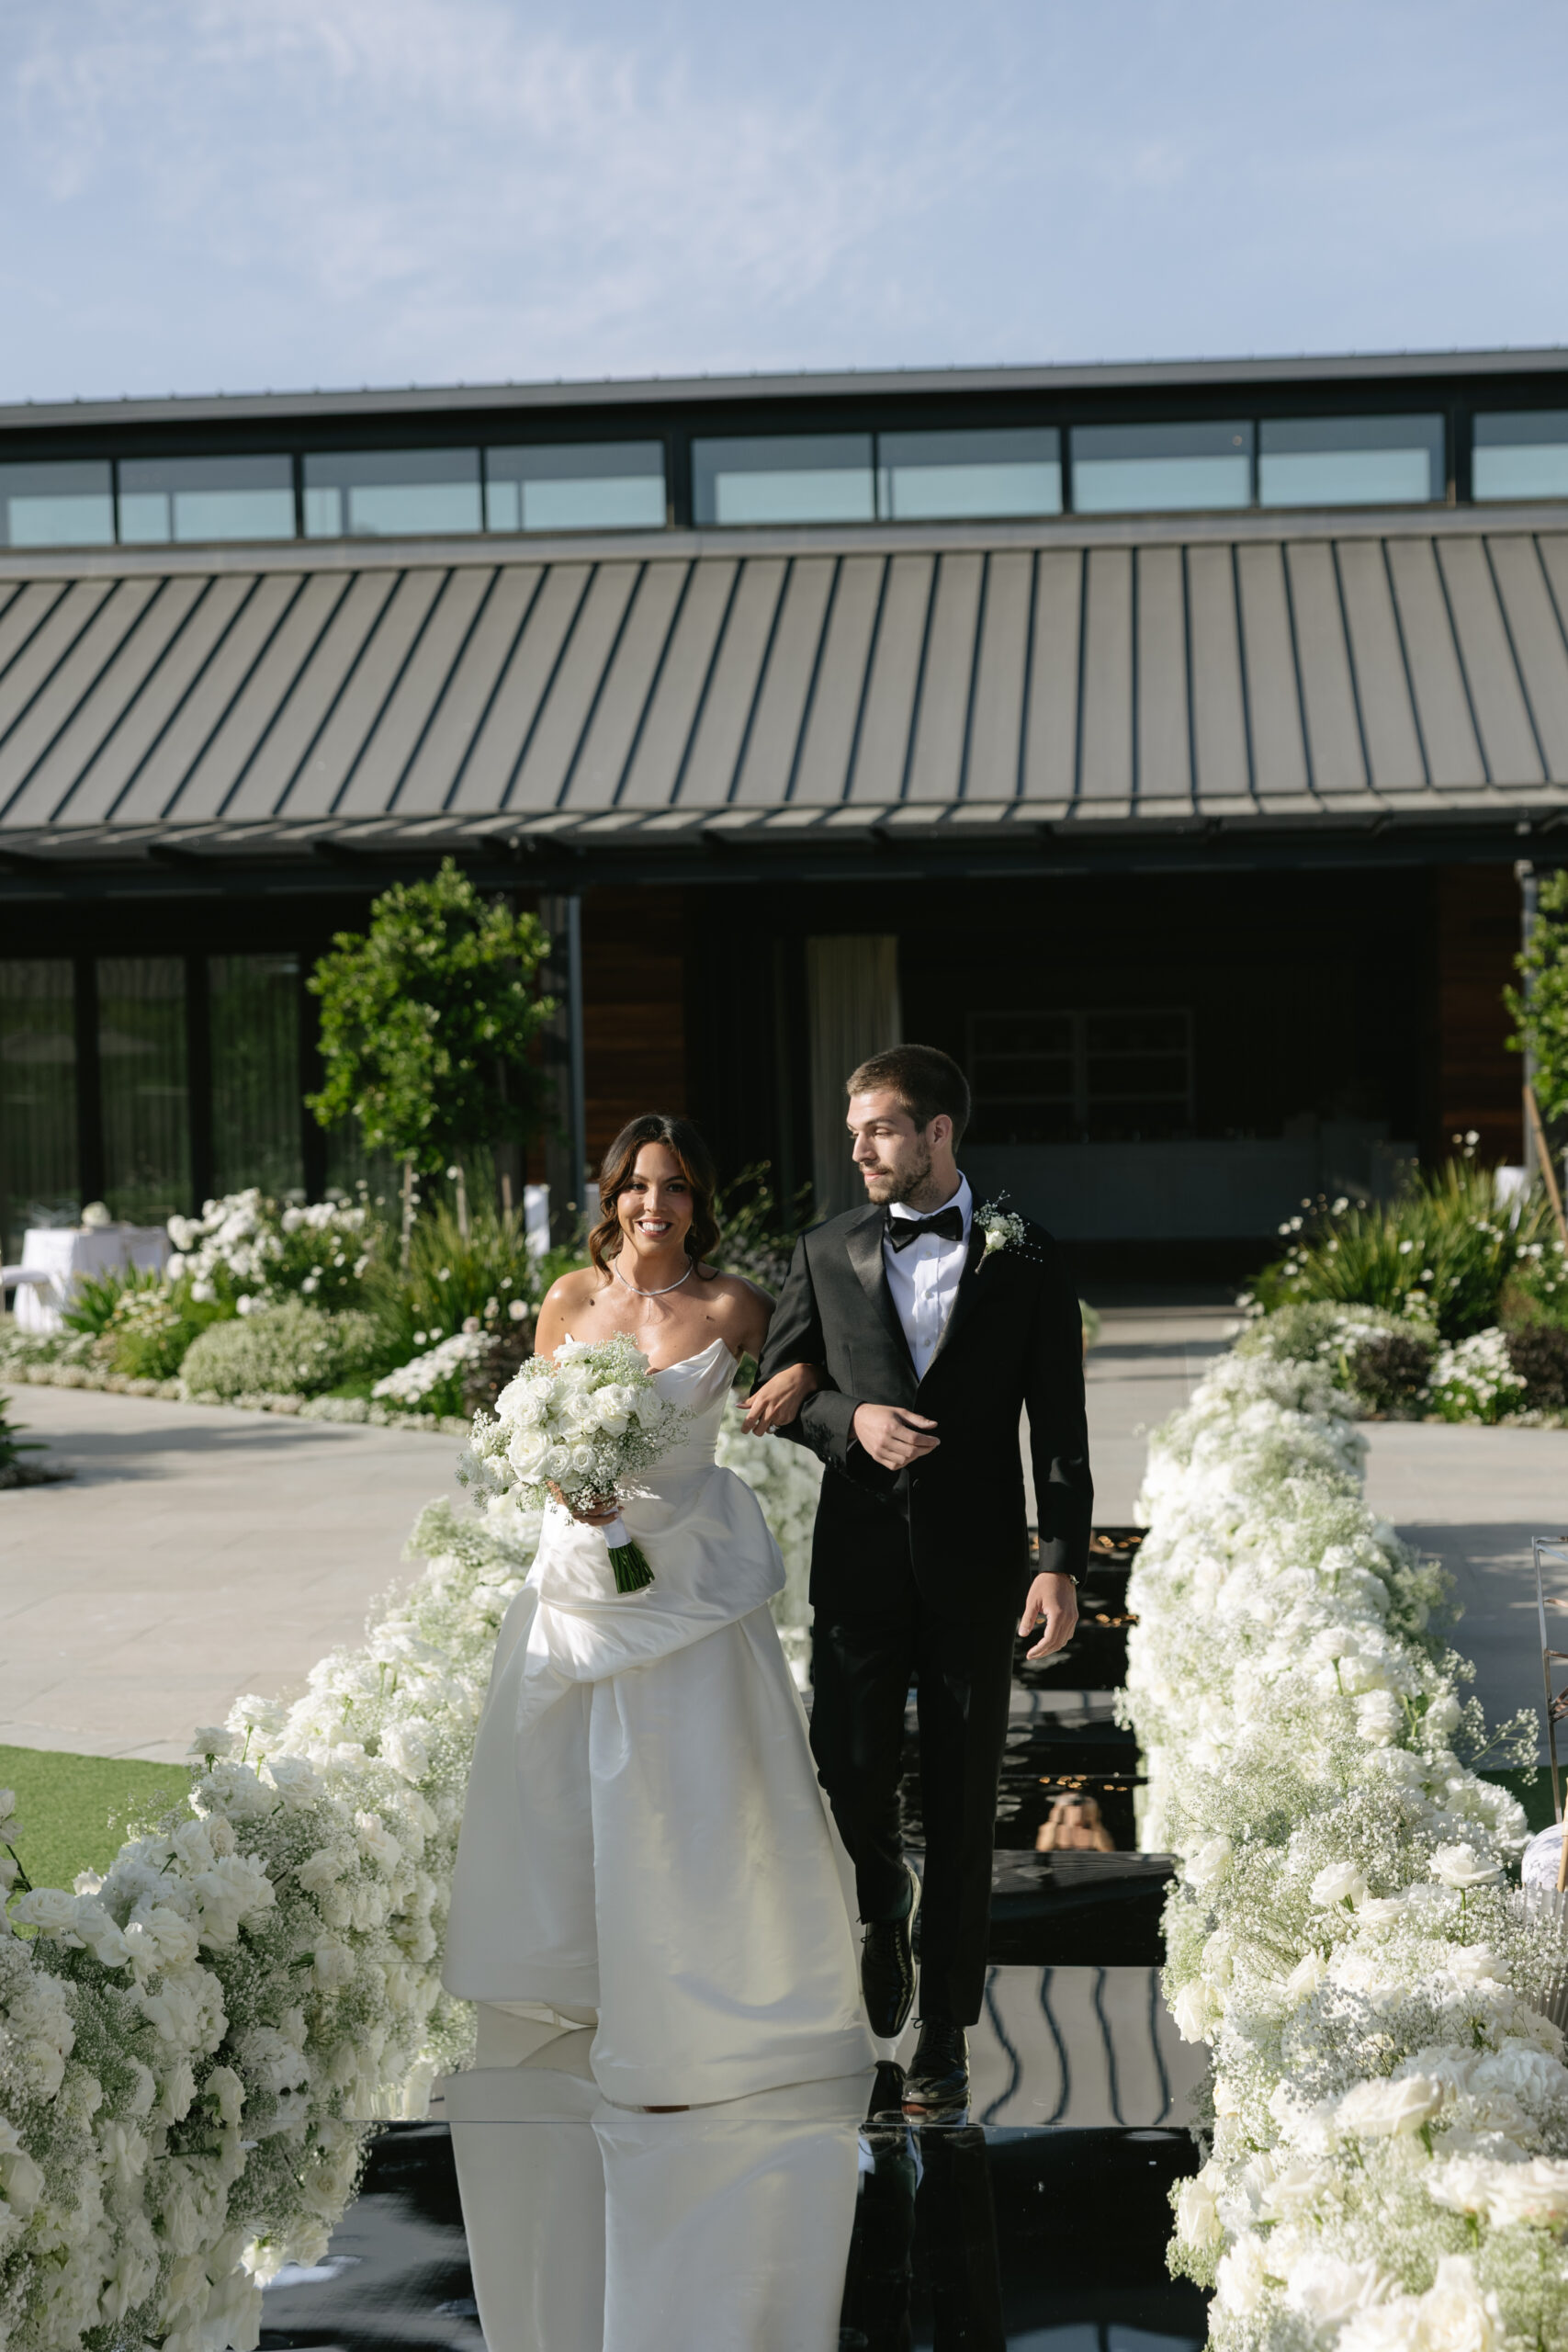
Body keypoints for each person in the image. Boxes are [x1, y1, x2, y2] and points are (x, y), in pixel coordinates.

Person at [442, 1113, 876, 2109]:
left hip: (694, 1574)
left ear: (698, 1202)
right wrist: (565, 1486)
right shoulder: (567, 1299)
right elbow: (531, 1430)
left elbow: (824, 1373)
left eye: (675, 1185)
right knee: (566, 1783)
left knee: (693, 1783)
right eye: (638, 1185)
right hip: (585, 1576)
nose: (655, 1203)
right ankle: (586, 1976)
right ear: (611, 1197)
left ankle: (705, 1983)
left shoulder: (736, 1304)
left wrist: (802, 1371)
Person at [758, 1043, 1092, 2115]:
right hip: (855, 1560)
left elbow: (1063, 1430)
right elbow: (779, 1393)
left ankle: (945, 2025)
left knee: (960, 1796)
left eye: (881, 1129)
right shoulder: (824, 1248)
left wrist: (1059, 1565)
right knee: (847, 1769)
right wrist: (847, 1415)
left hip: (979, 1564)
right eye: (853, 1129)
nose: (858, 1147)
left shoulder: (1030, 1255)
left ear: (939, 1133)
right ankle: (876, 1888)